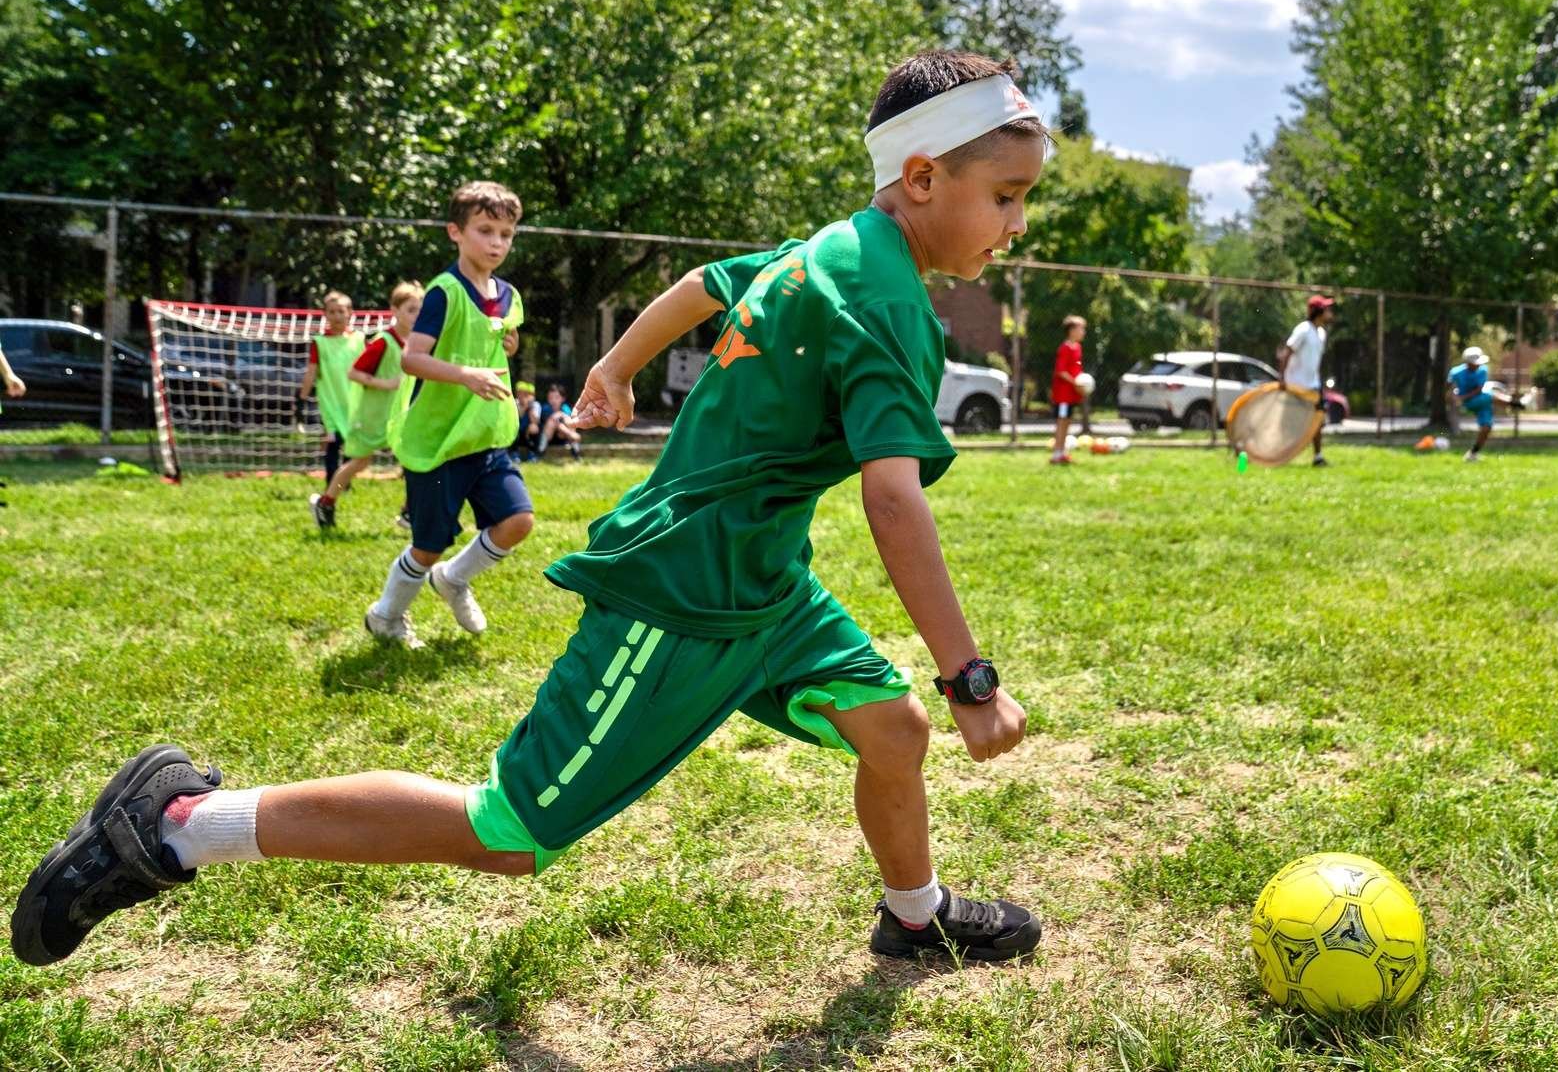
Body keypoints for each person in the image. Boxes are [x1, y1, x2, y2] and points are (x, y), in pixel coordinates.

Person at [10, 49, 1045, 973]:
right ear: (920, 177)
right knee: (510, 832)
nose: (1015, 224)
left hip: (761, 580)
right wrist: (969, 675)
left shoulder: (826, 249)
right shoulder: (888, 304)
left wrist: (610, 364)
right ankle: (184, 820)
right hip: (683, 594)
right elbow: (891, 498)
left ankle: (913, 918)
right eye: (1004, 196)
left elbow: (701, 283)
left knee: (890, 731)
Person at [362, 180, 536, 648]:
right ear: (455, 233)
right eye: (485, 230)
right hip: (438, 442)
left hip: (485, 437)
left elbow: (502, 338)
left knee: (517, 521)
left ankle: (453, 579)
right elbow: (412, 359)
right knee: (427, 544)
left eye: (506, 233)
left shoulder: (508, 295)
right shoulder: (443, 292)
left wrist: (508, 345)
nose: (497, 242)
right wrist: (466, 374)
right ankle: (385, 616)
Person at [309, 282, 424, 531]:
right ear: (394, 310)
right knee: (359, 463)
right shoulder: (383, 342)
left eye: (421, 310)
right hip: (372, 416)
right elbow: (354, 373)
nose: (418, 315)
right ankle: (326, 502)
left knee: (416, 461)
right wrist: (388, 383)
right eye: (411, 309)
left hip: (400, 416)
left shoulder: (418, 342)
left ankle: (410, 512)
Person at [298, 291, 363, 490]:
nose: (336, 316)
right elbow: (311, 372)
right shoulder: (320, 342)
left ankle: (345, 483)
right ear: (325, 315)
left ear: (350, 313)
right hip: (331, 406)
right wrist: (301, 398)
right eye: (332, 312)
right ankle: (330, 483)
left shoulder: (359, 339)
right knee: (333, 445)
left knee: (352, 446)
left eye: (340, 311)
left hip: (354, 403)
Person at [1278, 295, 1335, 467]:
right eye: (1326, 309)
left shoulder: (1321, 333)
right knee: (1289, 423)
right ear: (1318, 312)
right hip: (1296, 385)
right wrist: (1282, 379)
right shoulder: (1303, 329)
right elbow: (1287, 352)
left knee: (1318, 420)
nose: (1330, 312)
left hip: (1313, 385)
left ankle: (1318, 457)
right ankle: (1279, 454)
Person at [1049, 315, 1087, 464]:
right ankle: (1056, 454)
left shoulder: (1077, 347)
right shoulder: (1065, 348)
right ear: (1071, 330)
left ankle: (1062, 452)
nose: (1083, 332)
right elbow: (1061, 371)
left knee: (1068, 421)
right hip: (1063, 395)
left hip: (1072, 394)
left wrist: (1082, 385)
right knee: (1062, 421)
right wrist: (1075, 383)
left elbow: (1076, 370)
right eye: (1080, 328)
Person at [1449, 346, 1495, 462]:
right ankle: (1516, 404)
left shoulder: (1483, 370)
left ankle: (1473, 453)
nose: (1478, 365)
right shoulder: (1456, 372)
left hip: (1481, 401)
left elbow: (1478, 390)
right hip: (1469, 403)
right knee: (1490, 395)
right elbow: (1448, 389)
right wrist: (1453, 397)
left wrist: (1461, 397)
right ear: (1467, 362)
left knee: (1486, 428)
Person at [536, 383, 583, 461]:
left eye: (556, 397)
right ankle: (540, 452)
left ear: (563, 399)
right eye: (550, 398)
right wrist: (570, 433)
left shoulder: (565, 408)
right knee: (552, 421)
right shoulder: (546, 408)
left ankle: (576, 452)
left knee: (568, 421)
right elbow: (553, 422)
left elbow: (569, 420)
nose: (553, 400)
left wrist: (562, 417)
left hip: (562, 437)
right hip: (548, 438)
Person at [512, 380, 541, 459]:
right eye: (520, 393)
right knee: (513, 428)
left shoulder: (536, 405)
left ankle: (532, 453)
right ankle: (514, 453)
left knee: (534, 428)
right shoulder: (514, 403)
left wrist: (530, 406)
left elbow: (535, 421)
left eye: (525, 394)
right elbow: (518, 416)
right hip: (517, 433)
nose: (522, 396)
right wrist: (525, 407)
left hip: (527, 433)